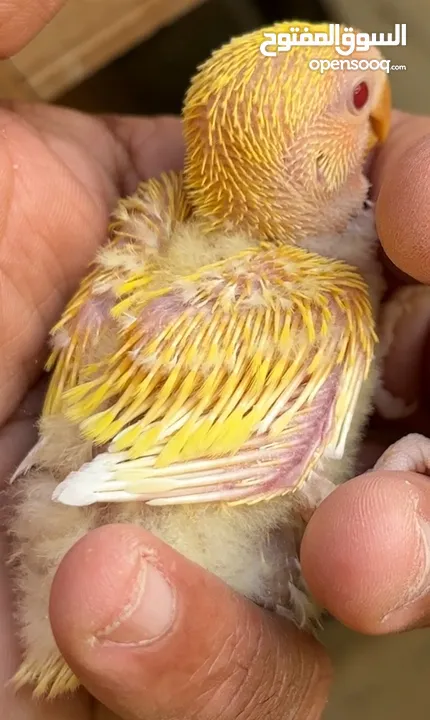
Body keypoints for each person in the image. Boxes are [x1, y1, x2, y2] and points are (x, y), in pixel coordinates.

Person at [1, 2, 430, 718]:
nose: (379, 117)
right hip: (154, 504)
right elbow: (282, 467)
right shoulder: (321, 302)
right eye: (359, 99)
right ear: (311, 159)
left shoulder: (154, 219)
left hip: (72, 508)